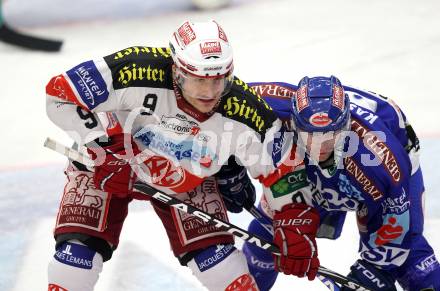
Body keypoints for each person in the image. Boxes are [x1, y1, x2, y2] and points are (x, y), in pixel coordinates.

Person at [45, 19, 306, 291]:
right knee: (73, 266)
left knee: (226, 273)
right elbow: (60, 94)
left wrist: (294, 223)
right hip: (106, 163)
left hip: (186, 179)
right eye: (198, 79)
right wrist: (99, 148)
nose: (209, 92)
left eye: (219, 79)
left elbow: (284, 172)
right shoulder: (135, 67)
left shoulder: (245, 109)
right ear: (177, 70)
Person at [225, 77, 439, 290]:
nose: (319, 147)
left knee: (409, 254)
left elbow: (392, 241)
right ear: (293, 120)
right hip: (304, 162)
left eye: (329, 136)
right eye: (311, 135)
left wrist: (372, 274)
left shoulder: (381, 160)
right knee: (268, 234)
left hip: (387, 161)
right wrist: (228, 169)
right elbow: (216, 94)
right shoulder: (268, 105)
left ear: (346, 125)